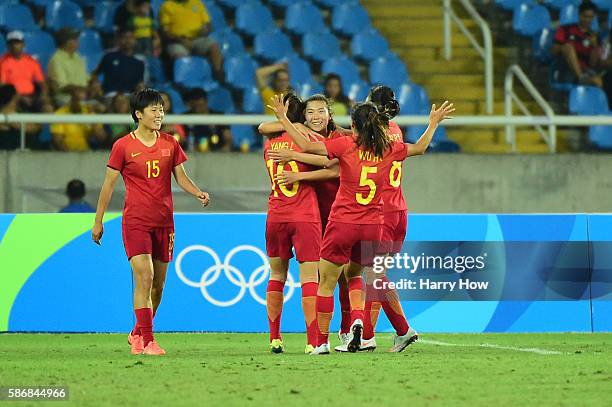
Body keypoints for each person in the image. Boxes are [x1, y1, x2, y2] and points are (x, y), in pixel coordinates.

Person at [267, 94, 454, 355]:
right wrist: (433, 123)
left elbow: (306, 147)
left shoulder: (346, 145)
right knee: (362, 277)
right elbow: (420, 149)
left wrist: (284, 119)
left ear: (353, 126)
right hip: (374, 226)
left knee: (326, 283)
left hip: (342, 223)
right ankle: (362, 326)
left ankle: (320, 343)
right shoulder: (388, 148)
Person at [92, 88, 211, 356]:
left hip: (164, 222)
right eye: (154, 110)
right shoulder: (123, 146)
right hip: (135, 222)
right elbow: (108, 186)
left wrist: (197, 192)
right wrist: (98, 221)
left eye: (161, 109)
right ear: (138, 114)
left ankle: (137, 331)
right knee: (144, 277)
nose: (159, 114)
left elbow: (180, 177)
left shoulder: (170, 142)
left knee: (158, 286)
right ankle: (148, 341)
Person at [262, 93, 327, 354]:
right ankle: (313, 341)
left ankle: (274, 337)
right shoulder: (310, 140)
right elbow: (330, 162)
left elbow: (263, 127)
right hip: (305, 216)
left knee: (276, 275)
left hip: (275, 214)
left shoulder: (269, 144)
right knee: (310, 279)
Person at [159, 0, 223, 80]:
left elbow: (208, 25)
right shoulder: (167, 6)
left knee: (214, 47)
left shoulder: (197, 3)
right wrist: (181, 40)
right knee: (181, 58)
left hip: (198, 39)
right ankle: (185, 83)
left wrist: (205, 30)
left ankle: (218, 76)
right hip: (177, 41)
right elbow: (165, 32)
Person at [553, 1, 602, 86]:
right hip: (565, 67)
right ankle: (580, 78)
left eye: (590, 17)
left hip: (585, 69)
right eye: (585, 16)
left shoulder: (595, 36)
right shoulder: (565, 29)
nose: (587, 20)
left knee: (598, 81)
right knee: (568, 47)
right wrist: (565, 48)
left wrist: (595, 47)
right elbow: (553, 50)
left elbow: (592, 63)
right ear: (579, 15)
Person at [0, 31, 47, 112]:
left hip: (31, 96)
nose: (14, 46)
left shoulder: (32, 61)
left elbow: (41, 82)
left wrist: (44, 95)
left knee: (47, 107)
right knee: (8, 91)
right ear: (8, 46)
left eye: (17, 43)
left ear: (23, 44)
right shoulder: (2, 62)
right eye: (11, 43)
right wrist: (21, 98)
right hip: (12, 98)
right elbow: (3, 86)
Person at [51, 86, 108, 151]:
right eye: (74, 98)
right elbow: (57, 140)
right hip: (67, 153)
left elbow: (102, 138)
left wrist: (92, 116)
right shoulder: (60, 113)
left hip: (86, 152)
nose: (77, 102)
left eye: (79, 99)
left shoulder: (88, 110)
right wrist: (69, 156)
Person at [91, 29, 145, 96]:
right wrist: (96, 84)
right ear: (119, 40)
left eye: (131, 37)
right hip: (110, 96)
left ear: (135, 41)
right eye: (125, 37)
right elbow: (95, 74)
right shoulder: (109, 57)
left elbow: (140, 84)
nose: (128, 40)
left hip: (129, 97)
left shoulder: (139, 64)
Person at [47, 28, 89, 106]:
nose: (78, 42)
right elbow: (62, 86)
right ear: (66, 42)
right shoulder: (56, 59)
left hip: (83, 97)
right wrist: (80, 90)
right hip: (66, 99)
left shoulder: (78, 57)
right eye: (75, 39)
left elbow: (86, 78)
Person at [184, 88, 232, 152]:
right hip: (191, 153)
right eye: (194, 104)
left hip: (216, 153)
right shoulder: (184, 117)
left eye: (200, 104)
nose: (196, 106)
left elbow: (228, 137)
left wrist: (225, 148)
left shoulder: (219, 116)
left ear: (206, 101)